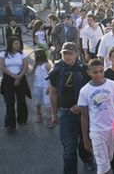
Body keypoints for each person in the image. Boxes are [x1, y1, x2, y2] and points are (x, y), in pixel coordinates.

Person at [47, 42, 96, 173]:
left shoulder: (84, 69)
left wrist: (82, 106)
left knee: (85, 142)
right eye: (65, 53)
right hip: (65, 113)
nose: (67, 56)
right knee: (69, 149)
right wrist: (53, 114)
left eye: (70, 53)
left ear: (76, 54)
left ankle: (87, 160)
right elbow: (53, 93)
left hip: (84, 113)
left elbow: (92, 91)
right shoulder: (56, 70)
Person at [78, 59, 114, 174]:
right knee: (103, 165)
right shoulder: (84, 91)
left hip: (113, 129)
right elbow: (84, 116)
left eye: (101, 71)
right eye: (95, 72)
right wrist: (85, 138)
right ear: (89, 72)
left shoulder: (113, 85)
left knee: (109, 158)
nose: (98, 75)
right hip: (97, 131)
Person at [0, 36, 31, 131]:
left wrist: (19, 77)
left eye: (19, 43)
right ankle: (10, 123)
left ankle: (22, 119)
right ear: (10, 44)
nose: (18, 45)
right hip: (8, 80)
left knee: (21, 100)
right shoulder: (3, 54)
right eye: (16, 43)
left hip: (20, 79)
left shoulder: (21, 54)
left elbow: (25, 66)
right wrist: (14, 76)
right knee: (9, 102)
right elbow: (2, 67)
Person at [30, 49, 53, 128]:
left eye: (35, 55)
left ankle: (49, 118)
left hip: (45, 86)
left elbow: (51, 77)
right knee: (37, 101)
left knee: (47, 102)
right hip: (37, 86)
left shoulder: (47, 65)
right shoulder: (36, 65)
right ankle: (38, 113)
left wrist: (49, 87)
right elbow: (31, 73)